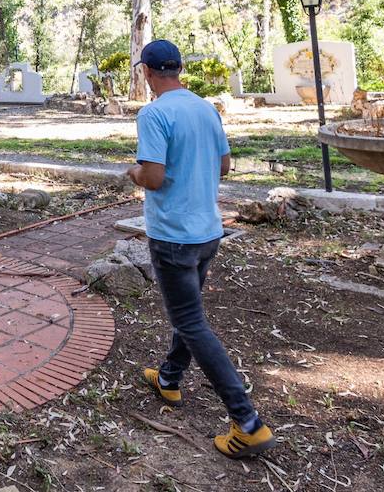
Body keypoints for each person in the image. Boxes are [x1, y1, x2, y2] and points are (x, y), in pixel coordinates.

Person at [125, 39, 275, 459]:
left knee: (191, 322)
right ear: (179, 69)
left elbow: (153, 177)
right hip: (208, 232)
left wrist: (133, 172)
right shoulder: (205, 108)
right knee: (187, 311)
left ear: (148, 73)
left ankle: (248, 423)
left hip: (173, 234)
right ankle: (169, 378)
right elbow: (224, 165)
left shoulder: (154, 113)